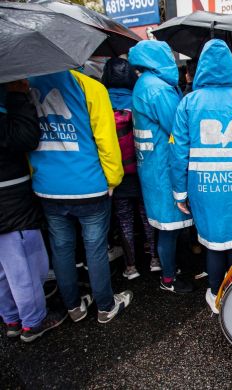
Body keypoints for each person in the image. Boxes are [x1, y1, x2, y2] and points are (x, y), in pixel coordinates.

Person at [171, 39, 232, 313]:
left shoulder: (188, 103)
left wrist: (180, 192)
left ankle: (216, 295)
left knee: (213, 242)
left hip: (202, 187)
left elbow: (178, 152)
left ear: (201, 67)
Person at [28, 69, 132, 324]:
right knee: (94, 248)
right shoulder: (90, 87)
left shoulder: (24, 86)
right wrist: (113, 178)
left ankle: (73, 306)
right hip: (89, 184)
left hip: (47, 186)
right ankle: (106, 306)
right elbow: (106, 140)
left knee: (61, 249)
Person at [0, 81, 67, 342]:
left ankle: (12, 318)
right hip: (9, 200)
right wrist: (17, 96)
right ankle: (34, 321)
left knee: (4, 269)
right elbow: (25, 137)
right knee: (24, 266)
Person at [129, 40, 195, 294]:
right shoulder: (157, 89)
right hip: (164, 169)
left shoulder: (145, 84)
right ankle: (168, 278)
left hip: (153, 168)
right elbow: (178, 128)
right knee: (169, 228)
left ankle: (173, 270)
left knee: (169, 228)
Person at [101, 57, 159, 279]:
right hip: (142, 168)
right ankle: (154, 259)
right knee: (146, 216)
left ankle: (131, 266)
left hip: (116, 172)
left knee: (124, 219)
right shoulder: (138, 99)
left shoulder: (100, 101)